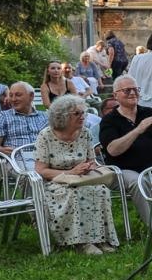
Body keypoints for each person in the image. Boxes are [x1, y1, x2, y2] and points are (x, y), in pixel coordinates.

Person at [33, 95, 119, 255]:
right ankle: (81, 242)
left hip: (82, 178)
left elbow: (92, 161)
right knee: (74, 193)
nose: (82, 117)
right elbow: (41, 170)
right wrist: (70, 172)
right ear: (62, 116)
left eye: (83, 113)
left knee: (101, 190)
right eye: (77, 114)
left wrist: (87, 167)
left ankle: (100, 239)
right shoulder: (46, 136)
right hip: (55, 182)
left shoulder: (85, 133)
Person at [98, 75, 152, 226]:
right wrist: (138, 130)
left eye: (135, 89)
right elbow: (112, 150)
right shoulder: (109, 120)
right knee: (138, 182)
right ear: (116, 95)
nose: (133, 93)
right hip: (125, 170)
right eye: (127, 90)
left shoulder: (149, 113)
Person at [0, 81, 47, 156]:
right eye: (11, 95)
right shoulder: (3, 117)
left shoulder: (44, 117)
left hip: (43, 159)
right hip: (17, 160)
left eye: (18, 95)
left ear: (31, 96)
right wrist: (2, 150)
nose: (13, 99)